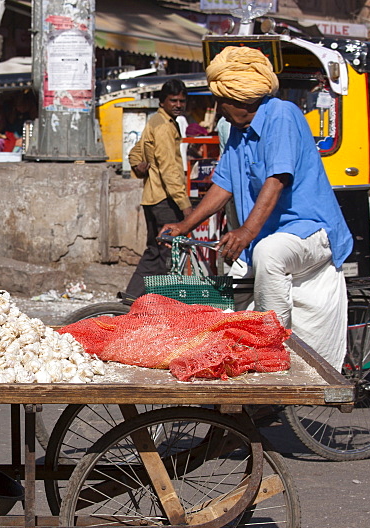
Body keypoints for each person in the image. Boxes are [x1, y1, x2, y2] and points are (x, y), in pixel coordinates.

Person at [160, 46, 353, 370]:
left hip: (311, 230)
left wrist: (247, 231)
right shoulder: (238, 131)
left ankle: (271, 351)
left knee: (268, 253)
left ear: (240, 99)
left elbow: (276, 179)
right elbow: (222, 186)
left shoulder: (282, 114)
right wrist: (184, 226)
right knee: (229, 291)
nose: (219, 109)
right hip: (270, 234)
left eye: (221, 101)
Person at [124, 78, 192, 298]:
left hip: (152, 198)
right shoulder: (163, 126)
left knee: (155, 251)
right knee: (167, 253)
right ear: (163, 102)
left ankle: (132, 298)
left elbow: (135, 152)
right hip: (164, 199)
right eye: (173, 101)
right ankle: (158, 303)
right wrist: (186, 207)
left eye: (182, 101)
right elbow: (170, 169)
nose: (178, 105)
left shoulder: (157, 121)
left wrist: (139, 165)